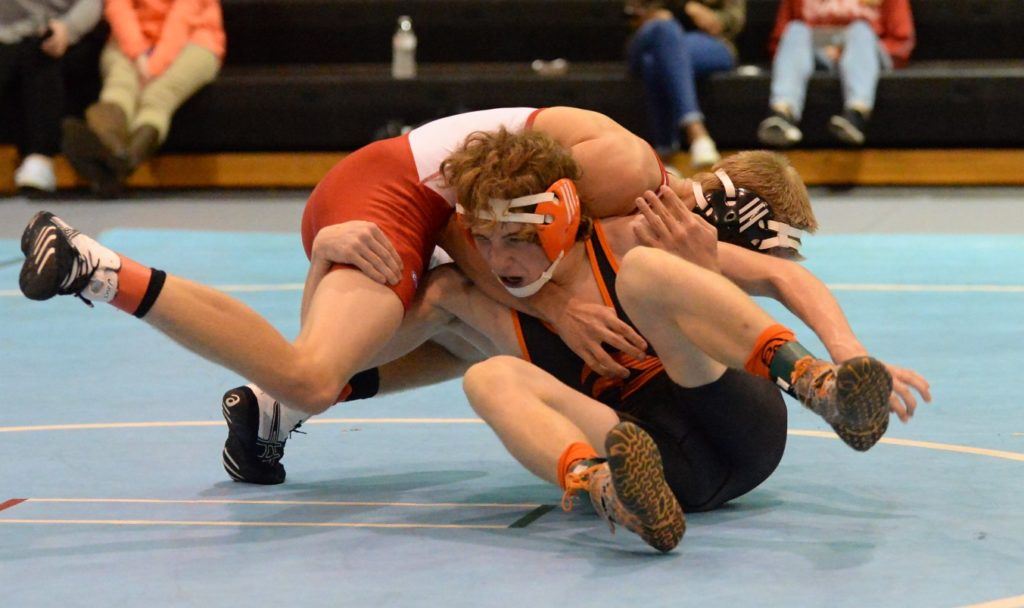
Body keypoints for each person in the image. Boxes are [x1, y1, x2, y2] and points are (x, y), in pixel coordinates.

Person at [17, 106, 697, 493]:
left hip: (418, 201)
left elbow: (486, 253)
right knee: (314, 372)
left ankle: (268, 412)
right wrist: (553, 311)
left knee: (480, 328)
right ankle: (97, 267)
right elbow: (475, 227)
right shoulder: (626, 173)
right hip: (395, 198)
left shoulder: (631, 188)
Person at [300, 138, 929, 552]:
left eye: (515, 238)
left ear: (560, 214)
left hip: (734, 418)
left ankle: (814, 381)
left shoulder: (627, 236)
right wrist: (327, 250)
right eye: (483, 240)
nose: (499, 260)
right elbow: (333, 365)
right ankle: (607, 492)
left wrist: (845, 350)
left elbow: (781, 272)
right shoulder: (463, 293)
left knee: (648, 273)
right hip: (654, 465)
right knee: (486, 378)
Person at [61, 0, 225, 196]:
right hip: (131, 37)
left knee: (157, 96)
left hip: (195, 39)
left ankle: (116, 162)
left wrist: (155, 64)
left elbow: (184, 14)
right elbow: (118, 7)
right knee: (119, 89)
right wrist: (137, 52)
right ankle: (117, 155)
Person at [756, 0, 915, 148]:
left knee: (860, 30)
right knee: (796, 29)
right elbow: (780, 40)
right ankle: (782, 113)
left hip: (866, 52)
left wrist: (847, 53)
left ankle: (856, 114)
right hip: (817, 54)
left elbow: (901, 41)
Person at [626, 0, 745, 168]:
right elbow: (631, 14)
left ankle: (664, 153)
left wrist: (714, 19)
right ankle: (696, 131)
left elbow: (733, 21)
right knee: (664, 29)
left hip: (709, 43)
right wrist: (683, 8)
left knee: (654, 61)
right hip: (648, 37)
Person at [0, 0, 102, 193]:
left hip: (67, 32)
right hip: (9, 31)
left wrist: (68, 28)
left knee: (40, 55)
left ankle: (40, 159)